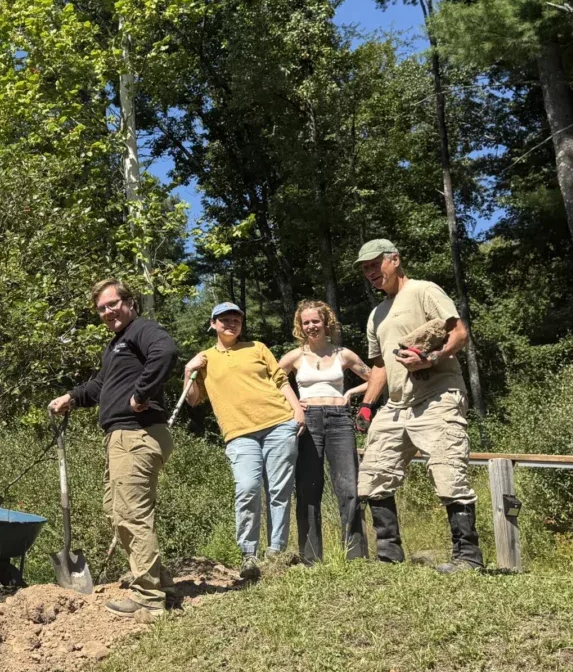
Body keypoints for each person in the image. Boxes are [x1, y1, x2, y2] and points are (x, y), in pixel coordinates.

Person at [49, 279, 179, 619]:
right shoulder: (116, 345)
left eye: (113, 304)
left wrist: (142, 393)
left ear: (129, 302)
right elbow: (100, 385)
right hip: (122, 438)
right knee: (117, 511)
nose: (108, 312)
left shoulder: (142, 330)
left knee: (132, 515)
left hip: (137, 434)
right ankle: (161, 582)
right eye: (101, 308)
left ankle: (149, 599)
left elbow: (166, 352)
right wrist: (71, 397)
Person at [354, 240, 483, 572]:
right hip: (396, 405)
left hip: (436, 395)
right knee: (374, 474)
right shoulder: (376, 314)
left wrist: (432, 357)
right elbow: (380, 366)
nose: (370, 272)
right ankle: (389, 557)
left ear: (395, 259)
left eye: (375, 264)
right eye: (365, 268)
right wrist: (367, 406)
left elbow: (459, 333)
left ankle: (468, 557)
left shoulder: (424, 291)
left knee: (448, 470)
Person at [184, 302, 304, 575]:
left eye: (236, 319)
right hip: (238, 433)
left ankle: (275, 552)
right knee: (248, 488)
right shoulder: (204, 359)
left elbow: (280, 380)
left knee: (279, 491)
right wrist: (188, 370)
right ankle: (249, 554)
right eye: (224, 319)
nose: (231, 324)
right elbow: (192, 399)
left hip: (279, 423)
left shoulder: (257, 348)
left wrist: (297, 411)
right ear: (213, 324)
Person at [276, 301, 372, 563]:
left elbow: (375, 378)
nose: (311, 326)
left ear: (326, 322)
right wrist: (293, 404)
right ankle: (311, 559)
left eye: (315, 321)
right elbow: (271, 382)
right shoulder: (295, 357)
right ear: (300, 326)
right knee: (308, 487)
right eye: (306, 322)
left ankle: (355, 556)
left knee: (349, 487)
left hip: (340, 420)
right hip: (307, 423)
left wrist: (351, 393)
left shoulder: (343, 354)